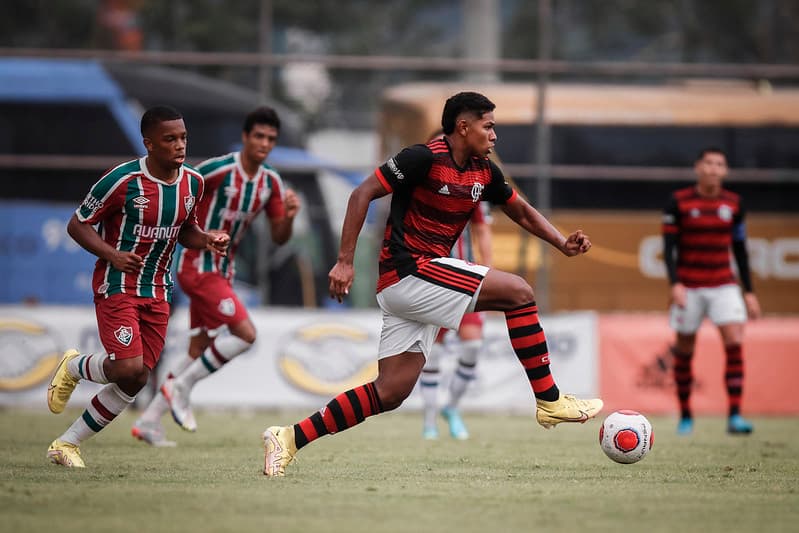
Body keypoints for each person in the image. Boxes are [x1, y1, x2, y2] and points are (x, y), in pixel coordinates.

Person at [261, 91, 603, 477]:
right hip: (409, 271)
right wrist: (344, 261)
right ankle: (550, 400)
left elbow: (520, 210)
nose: (494, 135)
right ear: (463, 126)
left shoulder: (484, 171)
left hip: (416, 284)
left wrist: (562, 243)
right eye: (489, 126)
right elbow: (362, 193)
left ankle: (288, 438)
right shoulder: (422, 158)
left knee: (390, 391)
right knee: (520, 293)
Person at [46, 105, 230, 467]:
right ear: (149, 144)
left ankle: (66, 444)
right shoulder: (121, 180)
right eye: (170, 139)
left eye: (183, 138)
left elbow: (185, 231)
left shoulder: (193, 183)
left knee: (136, 378)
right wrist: (112, 255)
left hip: (159, 291)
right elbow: (77, 224)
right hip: (117, 285)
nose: (180, 145)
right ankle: (75, 367)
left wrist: (208, 239)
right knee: (128, 369)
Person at [131, 106, 301, 446]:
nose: (264, 143)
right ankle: (182, 387)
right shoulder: (218, 169)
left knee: (198, 349)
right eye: (259, 136)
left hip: (223, 269)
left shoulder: (270, 182)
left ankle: (149, 420)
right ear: (245, 137)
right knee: (246, 334)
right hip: (197, 264)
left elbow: (280, 236)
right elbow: (179, 186)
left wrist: (290, 216)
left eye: (271, 139)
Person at [662, 146, 761, 436]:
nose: (713, 169)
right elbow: (668, 248)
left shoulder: (734, 204)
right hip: (689, 286)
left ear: (725, 170)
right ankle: (685, 417)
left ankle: (734, 416)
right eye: (709, 163)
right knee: (684, 349)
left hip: (724, 284)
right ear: (698, 167)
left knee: (734, 341)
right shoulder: (678, 202)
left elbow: (740, 250)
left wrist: (749, 291)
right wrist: (675, 283)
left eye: (719, 164)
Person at [420, 201, 492, 440]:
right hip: (432, 282)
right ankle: (429, 421)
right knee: (433, 353)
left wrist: (488, 272)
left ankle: (451, 407)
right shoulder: (422, 189)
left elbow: (482, 229)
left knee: (473, 346)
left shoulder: (475, 190)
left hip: (466, 280)